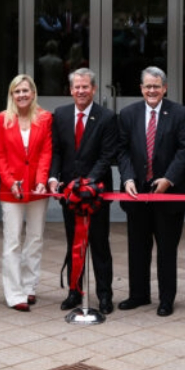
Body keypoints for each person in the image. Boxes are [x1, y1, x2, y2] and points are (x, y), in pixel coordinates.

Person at [116, 66, 185, 317]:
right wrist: (126, 177)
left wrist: (169, 179)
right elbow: (123, 150)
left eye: (156, 86)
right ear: (141, 88)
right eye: (148, 86)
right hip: (136, 193)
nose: (152, 90)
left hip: (168, 194)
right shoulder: (128, 114)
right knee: (137, 247)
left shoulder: (180, 113)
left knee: (167, 249)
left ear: (165, 88)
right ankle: (138, 294)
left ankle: (166, 299)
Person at [49, 68, 118, 314]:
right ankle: (74, 292)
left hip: (96, 194)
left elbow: (107, 155)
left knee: (99, 245)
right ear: (70, 90)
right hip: (69, 193)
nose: (81, 91)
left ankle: (105, 295)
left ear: (94, 89)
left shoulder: (107, 117)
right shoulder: (61, 115)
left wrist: (87, 183)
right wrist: (53, 178)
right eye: (76, 87)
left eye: (85, 87)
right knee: (74, 244)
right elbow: (57, 151)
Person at [0, 74, 53, 312]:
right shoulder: (2, 119)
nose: (22, 95)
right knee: (12, 241)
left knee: (35, 238)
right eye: (17, 91)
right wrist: (9, 182)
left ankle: (29, 287)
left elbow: (47, 152)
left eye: (25, 90)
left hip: (37, 188)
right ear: (11, 95)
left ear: (33, 92)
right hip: (12, 189)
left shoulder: (45, 117)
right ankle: (14, 292)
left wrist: (41, 181)